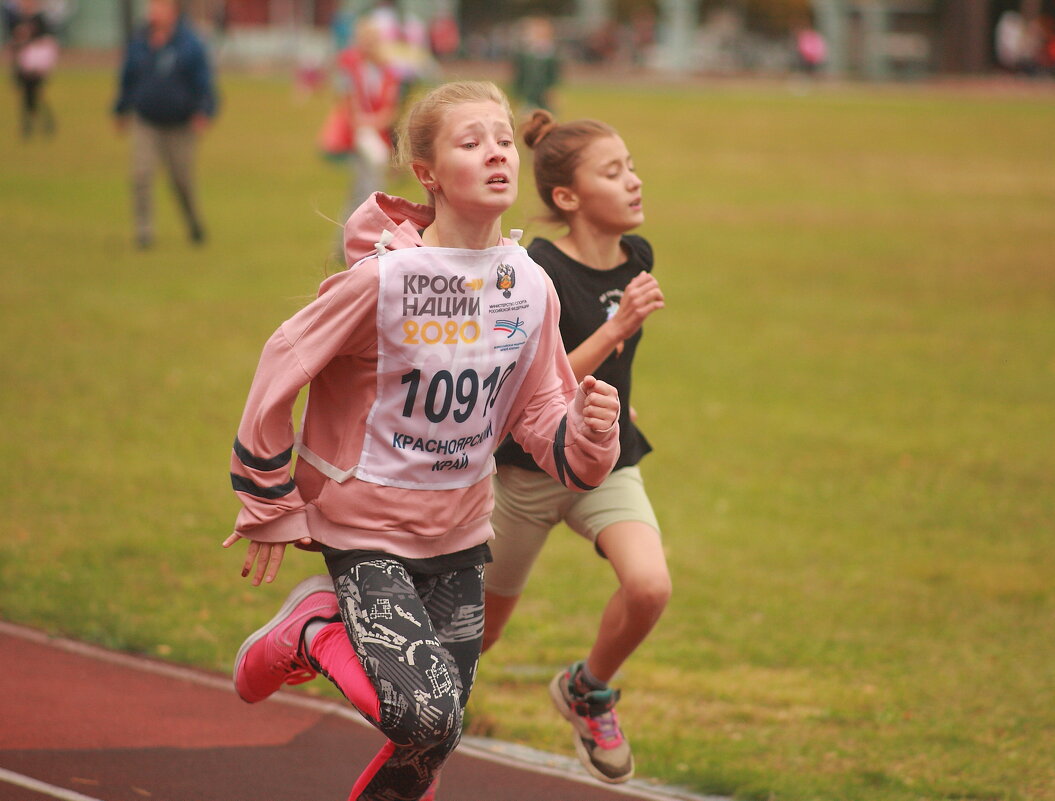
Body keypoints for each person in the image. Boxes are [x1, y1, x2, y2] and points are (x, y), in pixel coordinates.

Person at [223, 81, 621, 801]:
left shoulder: (527, 283)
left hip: (460, 533)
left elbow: (540, 411)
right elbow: (282, 363)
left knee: (431, 739)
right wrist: (269, 499)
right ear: (428, 174)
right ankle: (313, 627)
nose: (496, 152)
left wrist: (592, 432)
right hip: (367, 531)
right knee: (424, 711)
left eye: (501, 139)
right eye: (471, 143)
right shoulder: (384, 279)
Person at [481, 109, 671, 785]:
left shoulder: (636, 255)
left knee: (648, 586)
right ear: (567, 197)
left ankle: (588, 690)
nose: (633, 182)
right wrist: (617, 328)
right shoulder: (535, 270)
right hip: (529, 470)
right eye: (613, 172)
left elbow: (614, 362)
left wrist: (622, 398)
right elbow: (536, 376)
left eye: (631, 167)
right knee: (479, 635)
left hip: (605, 458)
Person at [112, 0, 217, 249]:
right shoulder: (139, 41)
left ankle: (193, 223)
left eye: (160, 7)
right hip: (146, 121)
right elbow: (128, 78)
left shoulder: (189, 43)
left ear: (173, 11)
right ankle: (144, 232)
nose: (154, 12)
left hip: (180, 124)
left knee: (181, 180)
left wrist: (204, 111)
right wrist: (121, 109)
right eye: (152, 7)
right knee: (141, 175)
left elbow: (204, 82)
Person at [334, 17, 401, 229]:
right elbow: (347, 101)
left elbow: (391, 109)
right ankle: (354, 241)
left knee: (369, 191)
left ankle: (358, 241)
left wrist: (374, 121)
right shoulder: (350, 66)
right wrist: (361, 122)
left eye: (372, 40)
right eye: (364, 39)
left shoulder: (387, 70)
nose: (368, 44)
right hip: (357, 137)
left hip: (378, 137)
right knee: (364, 192)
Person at [3, 0, 58, 139]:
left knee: (36, 94)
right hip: (21, 63)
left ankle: (46, 122)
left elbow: (46, 41)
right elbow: (11, 39)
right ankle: (27, 125)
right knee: (24, 94)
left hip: (36, 63)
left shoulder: (40, 18)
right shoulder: (15, 17)